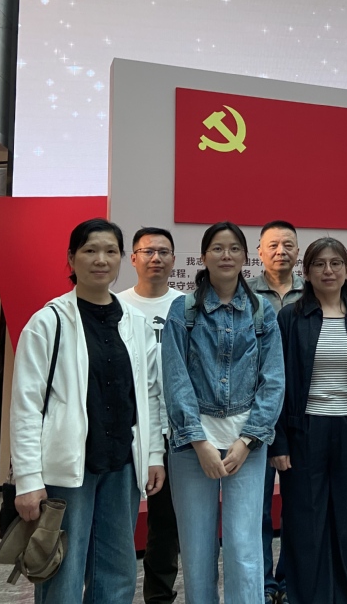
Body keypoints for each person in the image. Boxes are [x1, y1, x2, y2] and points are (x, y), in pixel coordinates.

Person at [10, 218, 166, 604]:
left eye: (110, 251)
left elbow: (147, 394)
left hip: (121, 464)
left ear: (121, 259)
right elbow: (26, 406)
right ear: (71, 258)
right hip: (67, 469)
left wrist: (153, 454)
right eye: (90, 250)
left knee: (117, 569)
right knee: (62, 567)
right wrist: (28, 479)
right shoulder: (48, 322)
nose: (101, 259)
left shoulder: (135, 322)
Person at [161, 221, 284, 604]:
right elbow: (175, 380)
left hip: (246, 446)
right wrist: (199, 442)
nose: (225, 255)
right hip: (191, 448)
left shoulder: (261, 311)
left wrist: (247, 441)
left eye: (233, 248)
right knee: (196, 552)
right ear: (204, 256)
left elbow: (273, 381)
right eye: (217, 248)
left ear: (245, 257)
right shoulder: (183, 310)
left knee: (244, 549)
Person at [270, 237, 347, 603]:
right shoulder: (291, 317)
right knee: (305, 525)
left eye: (336, 263)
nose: (328, 270)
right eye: (319, 264)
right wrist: (279, 442)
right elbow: (277, 381)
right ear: (306, 272)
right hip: (305, 431)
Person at [117, 227, 184, 604]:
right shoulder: (116, 306)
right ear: (133, 258)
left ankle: (158, 596)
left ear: (174, 259)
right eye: (147, 251)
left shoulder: (186, 306)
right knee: (116, 518)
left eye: (163, 252)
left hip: (173, 429)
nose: (156, 258)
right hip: (125, 428)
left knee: (165, 522)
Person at [248, 220, 305, 604]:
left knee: (298, 504)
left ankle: (289, 578)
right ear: (259, 251)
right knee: (259, 507)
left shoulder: (312, 292)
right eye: (273, 245)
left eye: (288, 244)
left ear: (298, 251)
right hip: (256, 411)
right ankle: (264, 583)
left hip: (302, 412)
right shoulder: (246, 294)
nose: (280, 251)